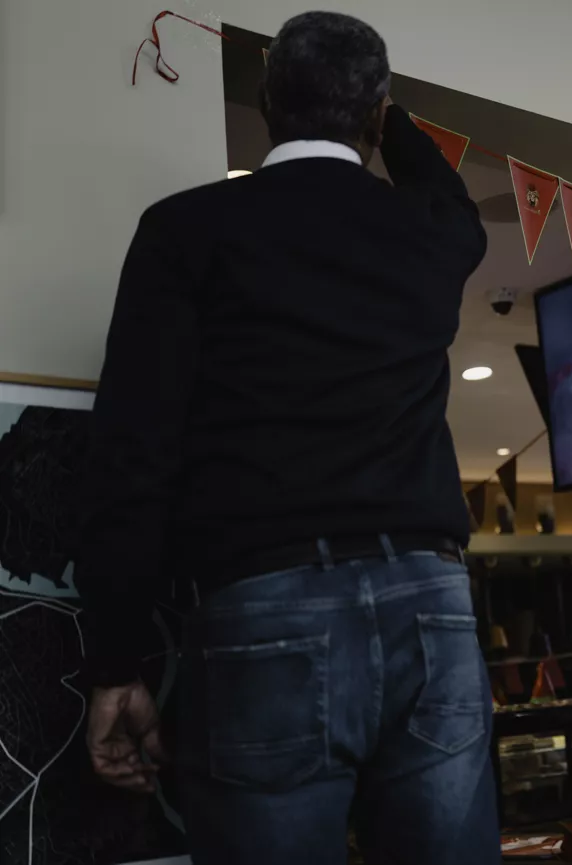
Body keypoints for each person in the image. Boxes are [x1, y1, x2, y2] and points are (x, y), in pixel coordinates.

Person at [78, 12, 492, 865]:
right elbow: (446, 191)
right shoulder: (429, 233)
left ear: (267, 104)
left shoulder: (185, 231)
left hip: (267, 609)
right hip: (431, 611)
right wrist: (382, 109)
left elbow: (133, 452)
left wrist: (117, 660)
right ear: (378, 115)